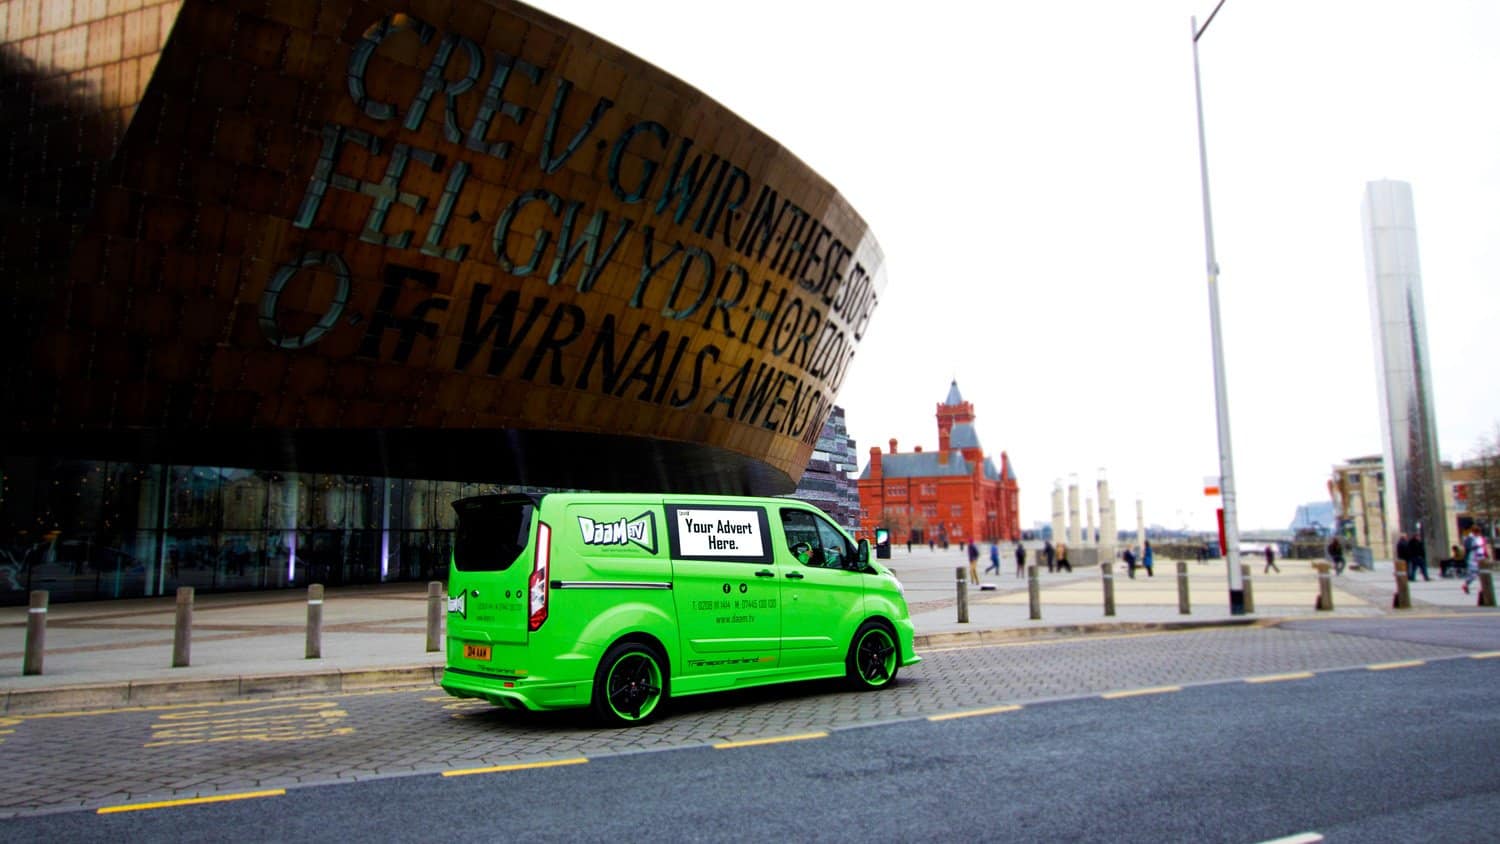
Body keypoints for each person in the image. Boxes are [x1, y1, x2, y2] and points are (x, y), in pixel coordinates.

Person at [1462, 525, 1489, 595]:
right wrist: (1476, 547)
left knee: (1483, 573)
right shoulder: (1469, 538)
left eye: (1478, 532)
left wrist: (1486, 555)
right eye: (1476, 532)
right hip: (1473, 558)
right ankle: (1466, 584)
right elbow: (1467, 547)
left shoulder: (1481, 538)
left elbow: (1484, 547)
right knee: (1473, 574)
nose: (1478, 534)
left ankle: (1483, 588)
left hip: (1481, 557)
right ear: (1473, 532)